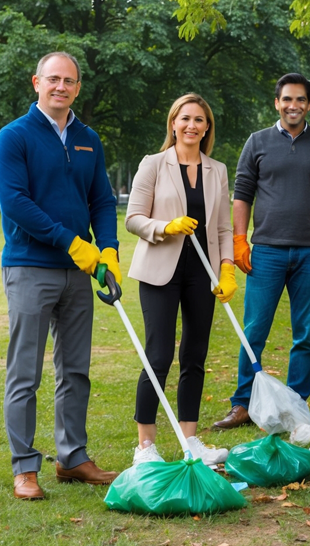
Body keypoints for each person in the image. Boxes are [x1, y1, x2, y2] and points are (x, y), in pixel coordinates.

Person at [0, 51, 120, 500]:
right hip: (30, 267)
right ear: (36, 82)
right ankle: (25, 468)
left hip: (80, 272)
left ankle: (72, 458)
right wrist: (70, 242)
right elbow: (17, 204)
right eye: (53, 79)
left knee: (75, 370)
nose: (60, 87)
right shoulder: (14, 137)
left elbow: (102, 200)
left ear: (78, 88)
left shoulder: (88, 138)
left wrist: (107, 249)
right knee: (25, 372)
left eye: (69, 81)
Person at [214, 73, 310, 430]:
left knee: (304, 331)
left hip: (309, 253)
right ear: (277, 102)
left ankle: (297, 403)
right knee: (254, 329)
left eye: (301, 100)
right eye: (287, 99)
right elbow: (242, 195)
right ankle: (242, 403)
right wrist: (241, 240)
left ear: (309, 104)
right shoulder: (257, 142)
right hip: (266, 250)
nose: (293, 106)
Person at [124, 93, 236, 466]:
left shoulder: (216, 170)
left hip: (201, 275)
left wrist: (226, 268)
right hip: (160, 270)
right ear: (173, 123)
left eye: (199, 120)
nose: (192, 125)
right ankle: (145, 447)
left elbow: (221, 227)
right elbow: (134, 218)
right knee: (158, 355)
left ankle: (191, 443)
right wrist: (165, 227)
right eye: (185, 118)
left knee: (194, 356)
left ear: (207, 128)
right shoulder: (153, 164)